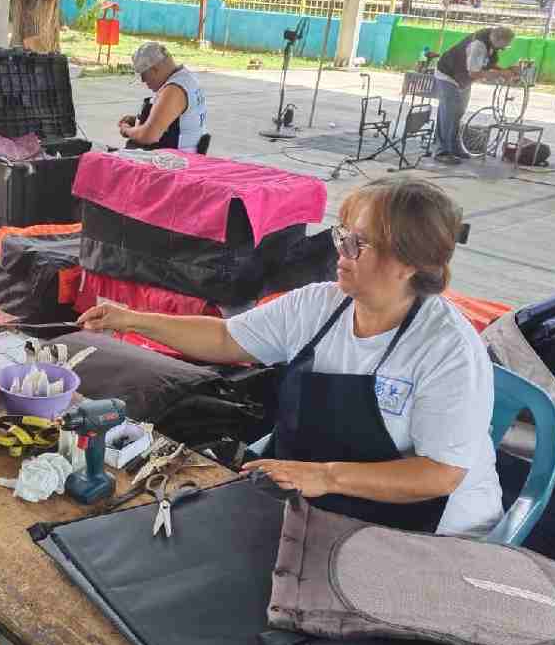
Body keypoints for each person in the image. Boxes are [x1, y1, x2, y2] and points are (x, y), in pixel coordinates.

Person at [78, 178, 502, 537]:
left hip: (424, 526)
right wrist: (131, 319)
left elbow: (440, 474)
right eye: (342, 236)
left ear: (410, 262)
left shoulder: (449, 351)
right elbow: (227, 338)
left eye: (359, 243)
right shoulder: (319, 305)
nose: (342, 252)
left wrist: (322, 476)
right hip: (319, 493)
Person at [433, 25, 518, 163]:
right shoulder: (479, 45)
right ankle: (442, 151)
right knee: (449, 113)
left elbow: (486, 65)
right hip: (448, 75)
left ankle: (453, 147)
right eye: (504, 46)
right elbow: (474, 72)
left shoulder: (491, 40)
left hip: (461, 79)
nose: (503, 49)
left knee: (458, 113)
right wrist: (502, 73)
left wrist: (505, 70)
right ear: (498, 39)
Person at [118, 42, 208, 153]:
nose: (143, 81)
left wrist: (127, 130)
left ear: (155, 69)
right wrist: (138, 120)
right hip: (182, 154)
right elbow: (172, 120)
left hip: (174, 160)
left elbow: (148, 136)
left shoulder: (174, 90)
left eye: (143, 75)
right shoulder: (186, 78)